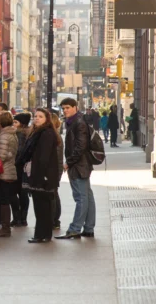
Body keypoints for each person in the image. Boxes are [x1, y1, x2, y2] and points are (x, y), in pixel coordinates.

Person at [55, 98, 96, 240]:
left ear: (75, 108)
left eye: (67, 107)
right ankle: (89, 228)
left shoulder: (78, 123)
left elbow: (80, 147)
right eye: (63, 108)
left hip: (79, 166)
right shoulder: (76, 122)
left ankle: (75, 229)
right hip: (82, 165)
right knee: (87, 196)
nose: (65, 110)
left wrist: (68, 162)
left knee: (81, 197)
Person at [18, 109, 59, 243]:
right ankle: (44, 234)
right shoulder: (36, 132)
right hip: (38, 173)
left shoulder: (46, 133)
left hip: (42, 175)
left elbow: (44, 157)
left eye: (40, 117)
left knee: (42, 206)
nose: (36, 119)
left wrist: (41, 176)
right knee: (41, 206)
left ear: (46, 119)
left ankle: (41, 234)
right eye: (35, 116)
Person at [0, 111, 19, 238]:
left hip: (4, 172)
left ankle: (5, 227)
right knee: (3, 200)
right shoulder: (11, 134)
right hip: (9, 170)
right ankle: (3, 226)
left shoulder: (4, 136)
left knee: (3, 201)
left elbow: (1, 156)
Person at [13, 112, 32, 227]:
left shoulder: (19, 134)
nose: (13, 124)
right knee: (23, 192)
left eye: (15, 122)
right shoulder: (29, 133)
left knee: (14, 192)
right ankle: (23, 218)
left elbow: (19, 151)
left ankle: (17, 218)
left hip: (18, 166)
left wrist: (15, 162)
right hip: (25, 167)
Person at [50, 113, 64, 230]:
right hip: (55, 169)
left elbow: (57, 157)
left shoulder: (55, 136)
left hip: (54, 170)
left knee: (53, 194)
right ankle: (55, 219)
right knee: (54, 194)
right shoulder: (54, 135)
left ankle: (55, 219)